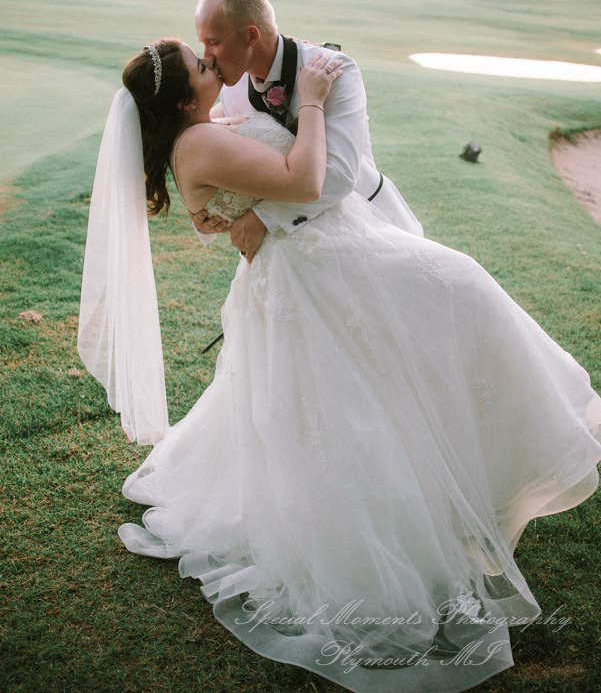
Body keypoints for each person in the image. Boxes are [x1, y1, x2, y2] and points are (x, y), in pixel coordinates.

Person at [78, 38, 601, 693]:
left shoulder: (200, 133)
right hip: (314, 274)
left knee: (367, 380)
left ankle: (472, 471)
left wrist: (243, 205)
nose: (216, 68)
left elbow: (241, 199)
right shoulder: (198, 143)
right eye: (203, 68)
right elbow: (303, 179)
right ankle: (465, 480)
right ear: (184, 97)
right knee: (436, 312)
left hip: (312, 265)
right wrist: (315, 103)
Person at [191, 0, 423, 261]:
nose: (207, 57)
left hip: (366, 226)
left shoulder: (334, 69)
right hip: (285, 250)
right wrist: (209, 213)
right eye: (203, 44)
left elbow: (339, 173)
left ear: (251, 36)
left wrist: (265, 218)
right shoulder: (230, 83)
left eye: (214, 43)